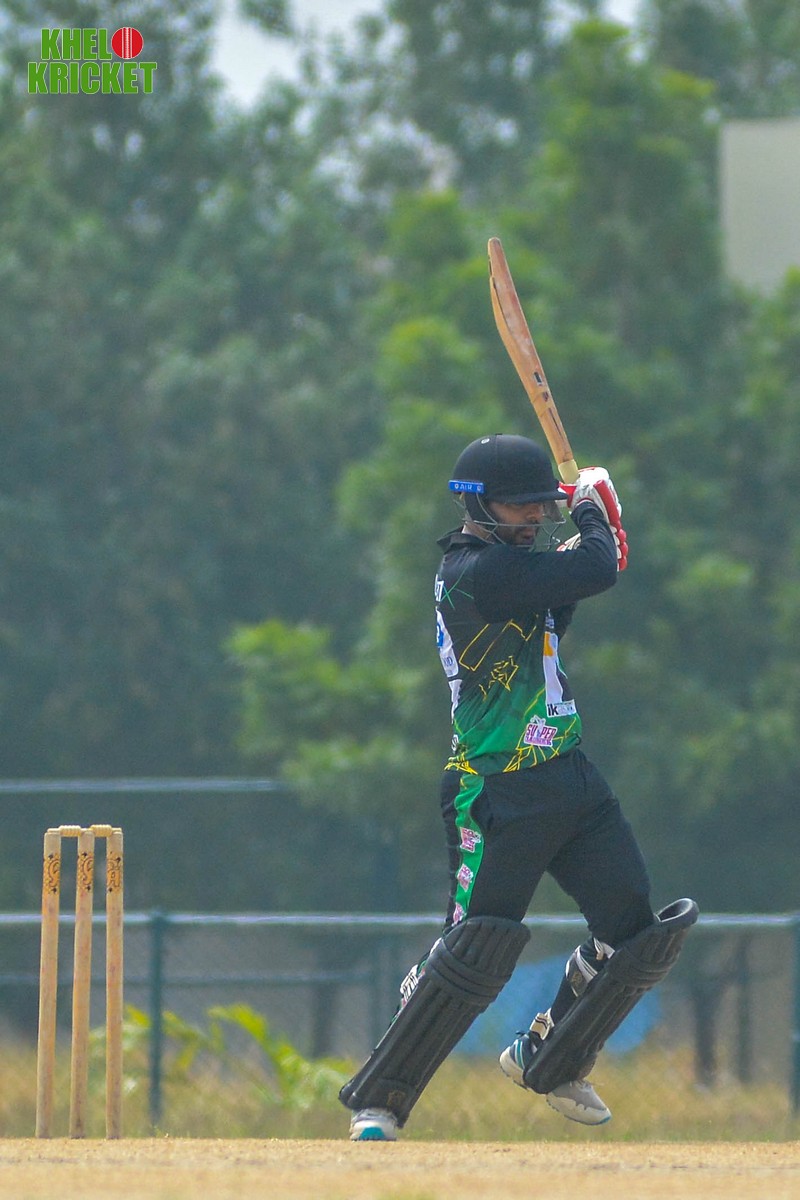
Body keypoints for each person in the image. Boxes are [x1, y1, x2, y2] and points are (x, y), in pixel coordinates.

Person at [339, 433, 696, 1141]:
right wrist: (593, 516)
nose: (534, 516)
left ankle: (552, 1053)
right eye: (519, 505)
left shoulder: (520, 568)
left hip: (569, 776)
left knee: (632, 932)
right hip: (494, 787)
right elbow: (592, 569)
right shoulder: (473, 571)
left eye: (541, 505)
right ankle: (379, 1101)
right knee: (476, 949)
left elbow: (576, 583)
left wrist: (597, 536)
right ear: (476, 505)